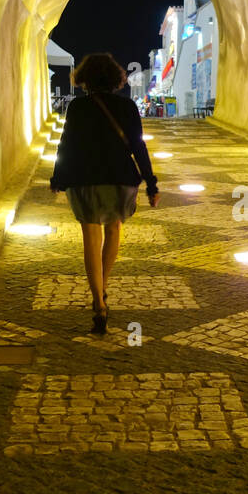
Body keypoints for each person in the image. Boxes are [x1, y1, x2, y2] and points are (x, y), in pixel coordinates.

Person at [49, 53, 159, 334]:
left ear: (84, 79)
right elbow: (138, 147)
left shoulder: (77, 108)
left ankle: (98, 301)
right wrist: (151, 183)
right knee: (113, 230)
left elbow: (66, 146)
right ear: (115, 79)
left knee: (90, 237)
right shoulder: (127, 107)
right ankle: (103, 286)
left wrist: (57, 177)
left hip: (85, 180)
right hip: (120, 179)